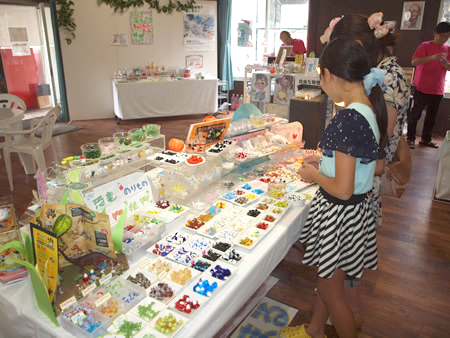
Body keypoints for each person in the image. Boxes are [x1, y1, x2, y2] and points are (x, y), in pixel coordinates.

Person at [281, 37, 387, 338]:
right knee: (331, 283)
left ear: (329, 74)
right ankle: (315, 329)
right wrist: (327, 159)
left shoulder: (348, 118)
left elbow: (341, 188)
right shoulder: (368, 108)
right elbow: (372, 165)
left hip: (340, 213)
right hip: (356, 213)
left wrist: (315, 174)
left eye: (321, 77)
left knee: (330, 290)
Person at [323, 13, 410, 328]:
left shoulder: (383, 78)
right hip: (354, 179)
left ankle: (350, 319)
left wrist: (329, 165)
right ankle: (330, 322)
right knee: (336, 275)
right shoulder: (370, 78)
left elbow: (376, 149)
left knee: (343, 275)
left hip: (357, 187)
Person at [407, 22, 450, 149]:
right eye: (441, 36)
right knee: (415, 114)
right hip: (421, 87)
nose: (443, 39)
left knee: (432, 117)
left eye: (447, 36)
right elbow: (414, 61)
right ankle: (410, 138)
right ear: (435, 34)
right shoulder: (425, 46)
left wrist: (446, 65)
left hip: (437, 89)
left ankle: (426, 139)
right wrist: (431, 58)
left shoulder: (448, 49)